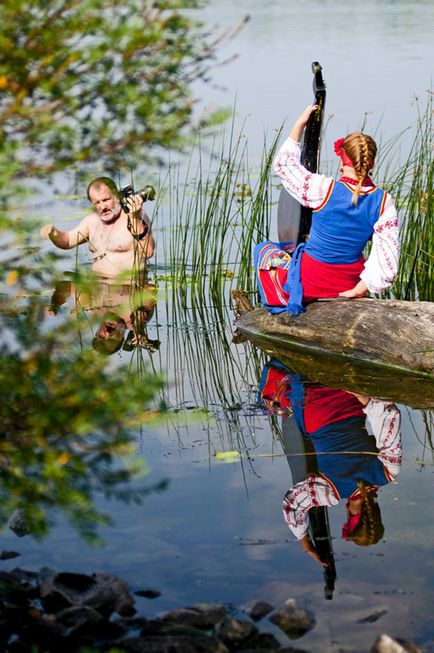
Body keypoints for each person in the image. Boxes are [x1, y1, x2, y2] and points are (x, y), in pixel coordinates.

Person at [255, 105, 400, 315]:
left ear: (343, 160)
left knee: (264, 250)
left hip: (312, 280)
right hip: (348, 283)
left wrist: (300, 125)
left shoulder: (323, 189)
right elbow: (387, 258)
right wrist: (359, 290)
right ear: (371, 164)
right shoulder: (384, 202)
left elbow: (284, 165)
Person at [258, 360, 402, 565]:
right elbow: (292, 505)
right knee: (270, 404)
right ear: (349, 514)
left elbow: (391, 415)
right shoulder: (331, 492)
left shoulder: (387, 472)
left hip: (348, 396)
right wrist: (306, 545)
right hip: (313, 405)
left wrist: (363, 398)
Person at [40, 177, 155, 279]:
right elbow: (68, 241)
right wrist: (52, 232)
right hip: (98, 289)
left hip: (129, 288)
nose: (102, 207)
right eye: (97, 203)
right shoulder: (91, 221)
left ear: (116, 196)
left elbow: (148, 252)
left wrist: (135, 217)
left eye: (106, 200)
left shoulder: (138, 216)